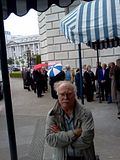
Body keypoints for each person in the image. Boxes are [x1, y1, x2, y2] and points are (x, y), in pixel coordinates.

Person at [45, 81, 96, 160]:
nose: (66, 97)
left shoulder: (85, 113)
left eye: (69, 94)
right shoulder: (52, 114)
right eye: (62, 94)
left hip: (84, 156)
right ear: (57, 95)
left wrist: (61, 135)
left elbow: (87, 140)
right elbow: (50, 140)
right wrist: (74, 133)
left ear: (74, 94)